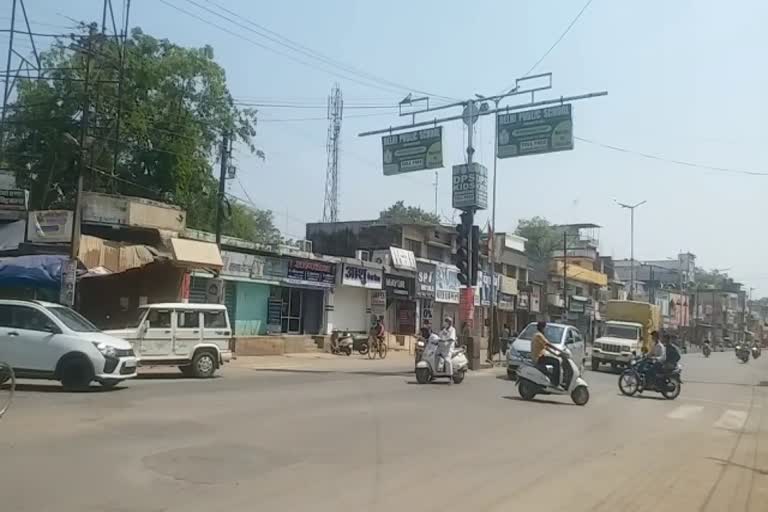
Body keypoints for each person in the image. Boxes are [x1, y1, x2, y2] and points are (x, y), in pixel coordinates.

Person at [531, 320, 563, 389]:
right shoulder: (539, 335)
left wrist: (556, 354)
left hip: (540, 357)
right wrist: (559, 350)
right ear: (542, 327)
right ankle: (555, 383)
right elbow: (548, 344)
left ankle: (552, 380)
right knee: (556, 362)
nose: (546, 329)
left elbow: (546, 348)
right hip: (539, 358)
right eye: (545, 327)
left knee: (555, 360)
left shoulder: (538, 335)